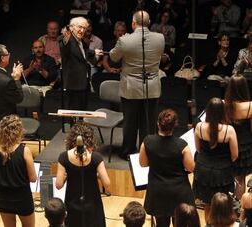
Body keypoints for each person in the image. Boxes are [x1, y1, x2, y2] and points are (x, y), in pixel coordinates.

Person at [109, 10, 165, 160]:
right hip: (152, 86)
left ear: (133, 23)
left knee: (130, 122)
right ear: (149, 22)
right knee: (149, 122)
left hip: (131, 87)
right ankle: (147, 153)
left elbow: (113, 57)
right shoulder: (160, 38)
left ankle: (128, 152)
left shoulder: (125, 40)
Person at [139, 109, 195, 227]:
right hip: (179, 192)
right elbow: (190, 168)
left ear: (158, 124)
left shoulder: (147, 141)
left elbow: (143, 163)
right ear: (175, 126)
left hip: (158, 192)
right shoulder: (182, 145)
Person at [0, 115, 36, 227]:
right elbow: (33, 178)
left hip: (2, 197)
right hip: (22, 198)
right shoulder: (24, 151)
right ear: (19, 132)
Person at [193, 97, 238, 224]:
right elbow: (234, 155)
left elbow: (198, 149)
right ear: (222, 112)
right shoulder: (229, 130)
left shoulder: (199, 127)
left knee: (208, 204)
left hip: (203, 172)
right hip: (222, 173)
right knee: (224, 205)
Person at [55, 122, 110, 227]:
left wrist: (66, 177)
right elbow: (107, 184)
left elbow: (58, 185)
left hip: (72, 204)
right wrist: (98, 176)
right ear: (90, 139)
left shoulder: (63, 157)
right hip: (93, 205)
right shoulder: (96, 157)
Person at [59, 16, 102, 111]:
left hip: (83, 83)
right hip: (72, 84)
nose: (82, 31)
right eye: (79, 27)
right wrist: (67, 30)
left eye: (84, 28)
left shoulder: (82, 41)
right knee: (72, 113)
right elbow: (63, 42)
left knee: (82, 112)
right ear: (72, 27)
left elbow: (84, 53)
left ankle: (80, 126)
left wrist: (94, 52)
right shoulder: (67, 39)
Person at [224, 75, 252, 201]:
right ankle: (239, 208)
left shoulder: (224, 105)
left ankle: (225, 205)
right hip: (245, 146)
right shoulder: (250, 106)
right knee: (241, 178)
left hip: (228, 144)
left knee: (228, 176)